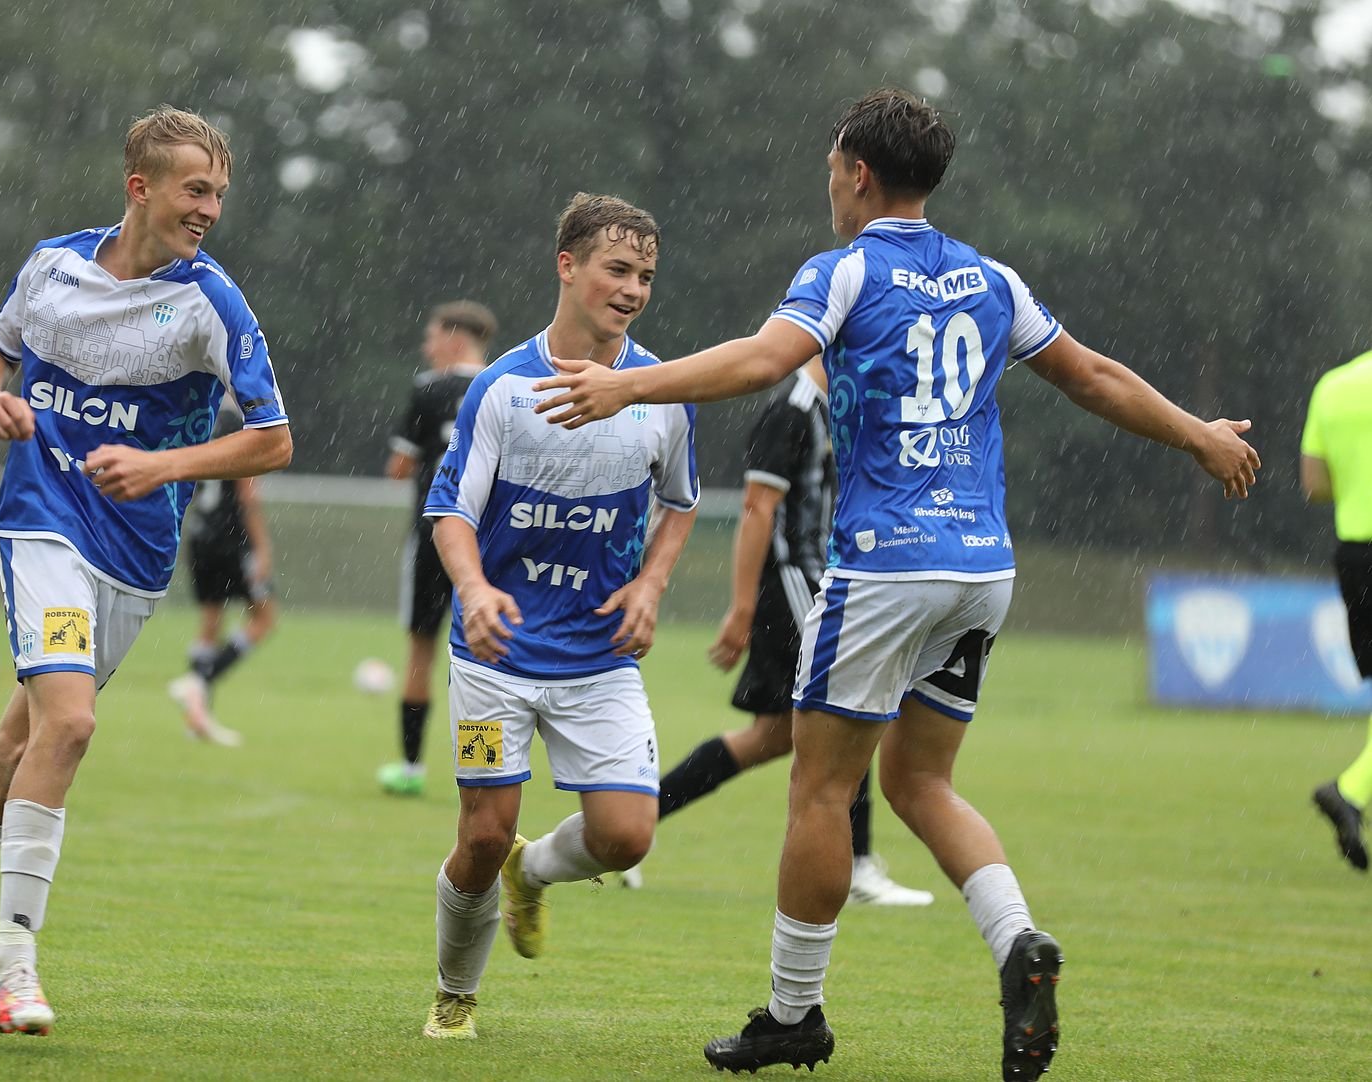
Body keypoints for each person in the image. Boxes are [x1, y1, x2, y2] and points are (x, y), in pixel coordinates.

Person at [532, 87, 1259, 1078]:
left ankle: (794, 1013)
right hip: (983, 569)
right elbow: (1092, 373)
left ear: (859, 174)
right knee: (921, 780)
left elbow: (761, 359)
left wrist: (625, 382)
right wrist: (1198, 435)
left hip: (886, 567)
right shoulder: (990, 277)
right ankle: (1017, 943)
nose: (829, 185)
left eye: (833, 169)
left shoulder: (846, 270)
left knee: (821, 785)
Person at [0, 106, 292, 1036]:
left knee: (19, 751)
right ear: (140, 187)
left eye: (220, 193)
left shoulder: (211, 300)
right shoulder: (52, 263)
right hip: (42, 522)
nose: (210, 209)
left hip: (134, 557)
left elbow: (273, 438)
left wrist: (161, 467)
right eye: (195, 190)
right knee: (71, 722)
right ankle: (14, 963)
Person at [419, 193, 698, 1041]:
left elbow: (680, 504)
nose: (634, 289)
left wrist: (650, 585)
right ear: (567, 266)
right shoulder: (502, 390)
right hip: (494, 658)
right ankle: (455, 996)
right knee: (479, 834)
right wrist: (473, 590)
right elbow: (451, 514)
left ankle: (533, 873)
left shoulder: (661, 395)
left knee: (627, 837)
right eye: (617, 269)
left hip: (598, 657)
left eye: (646, 275)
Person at [624, 356, 932, 907]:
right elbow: (756, 510)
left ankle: (629, 823)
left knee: (768, 739)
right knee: (848, 708)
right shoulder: (789, 411)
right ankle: (857, 865)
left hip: (816, 582)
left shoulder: (832, 409)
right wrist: (741, 607)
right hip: (793, 584)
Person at [379, 301, 498, 796]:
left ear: (455, 337)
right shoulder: (506, 385)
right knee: (486, 657)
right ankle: (483, 766)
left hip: (434, 536)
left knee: (420, 654)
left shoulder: (429, 388)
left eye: (432, 337)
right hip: (489, 543)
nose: (428, 347)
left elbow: (400, 469)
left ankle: (410, 768)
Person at [167, 404, 279, 748]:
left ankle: (196, 718)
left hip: (201, 536)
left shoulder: (203, 417)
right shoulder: (242, 423)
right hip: (232, 540)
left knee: (210, 622)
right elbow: (247, 493)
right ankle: (200, 682)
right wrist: (262, 548)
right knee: (264, 619)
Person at [1303, 350, 1372, 873]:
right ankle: (1348, 791)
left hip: (1355, 555)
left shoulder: (1334, 383)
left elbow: (1315, 484)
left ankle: (1350, 794)